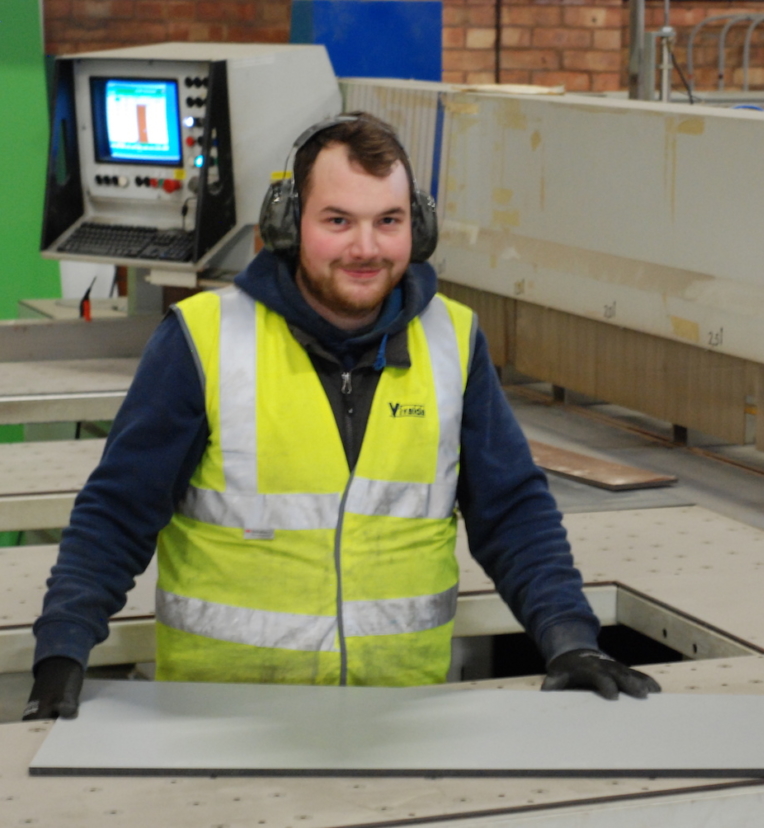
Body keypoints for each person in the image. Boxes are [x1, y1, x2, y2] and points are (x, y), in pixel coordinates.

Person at [24, 112, 659, 720]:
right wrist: (62, 650)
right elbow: (117, 512)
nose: (366, 247)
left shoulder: (454, 342)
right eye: (338, 220)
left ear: (420, 229)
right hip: (219, 721)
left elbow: (513, 512)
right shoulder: (203, 340)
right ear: (288, 224)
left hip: (403, 721)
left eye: (389, 221)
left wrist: (569, 636)